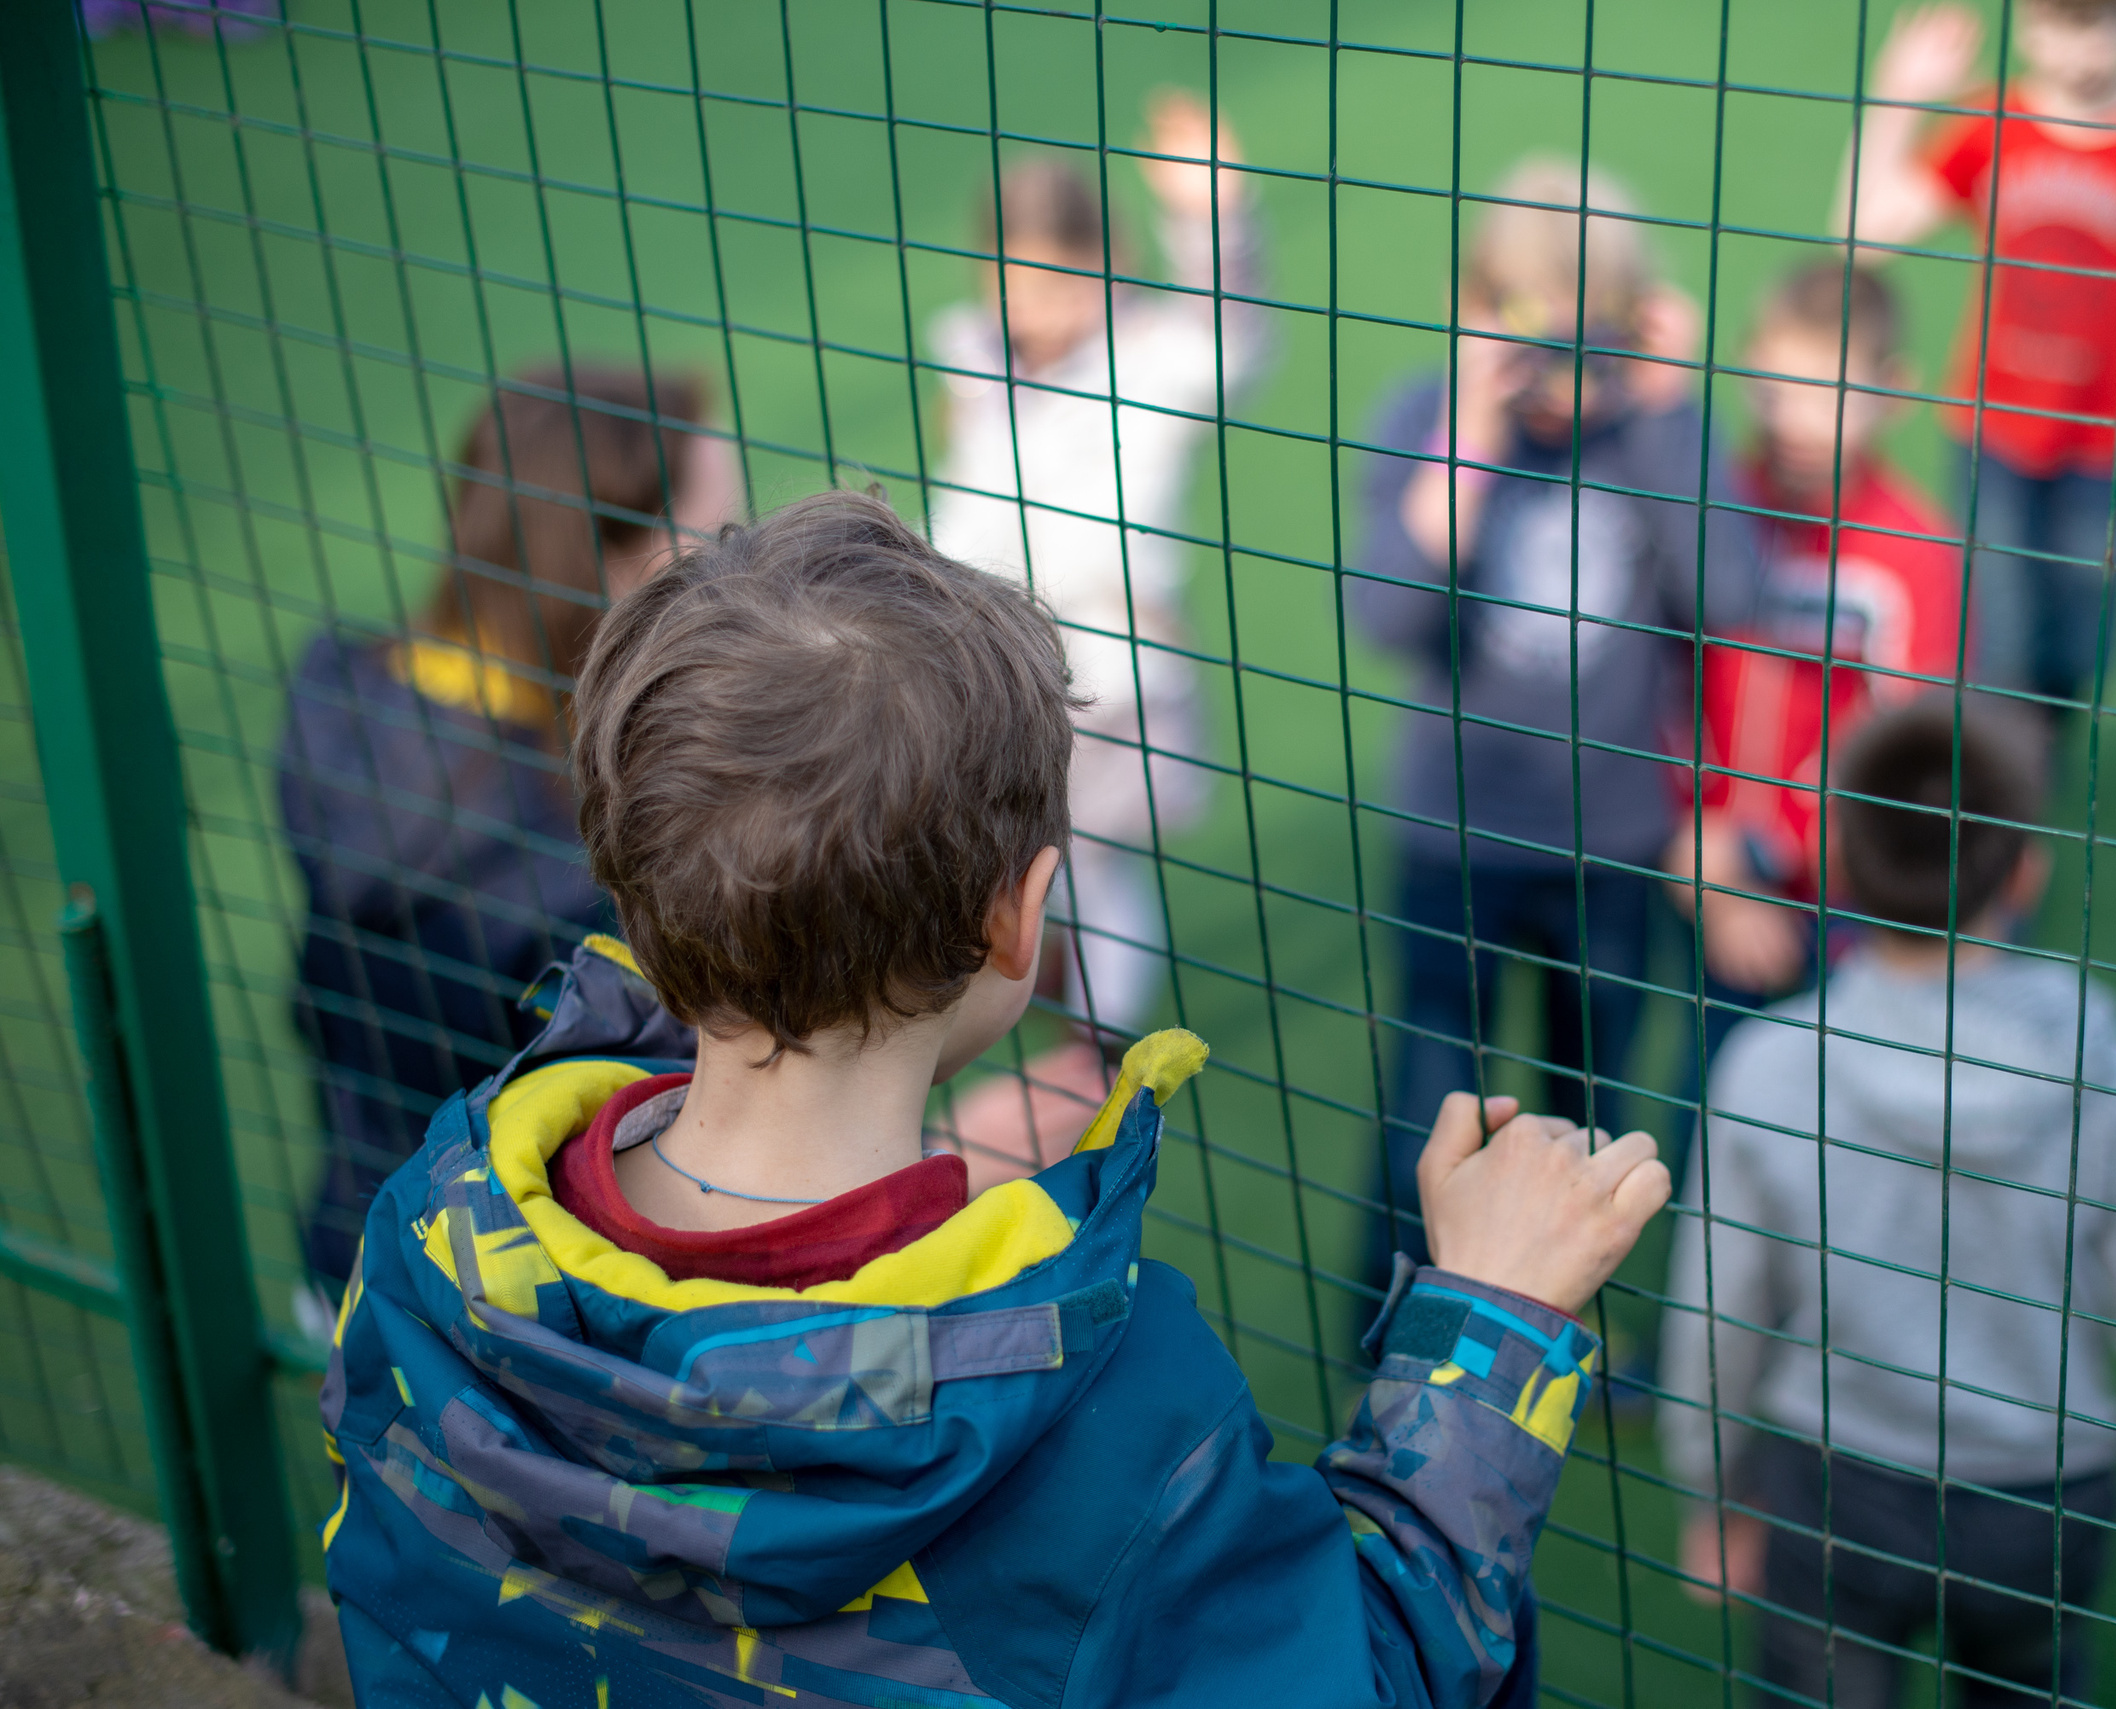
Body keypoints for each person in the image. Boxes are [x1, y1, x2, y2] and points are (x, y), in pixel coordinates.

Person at [317, 490, 1673, 1709]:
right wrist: (1487, 1331)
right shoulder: (1084, 1402)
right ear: (1021, 922)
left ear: (627, 864)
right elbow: (1366, 1672)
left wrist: (903, 1205)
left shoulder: (430, 1224)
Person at [1659, 697, 2116, 1706]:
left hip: (1834, 1487)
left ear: (1835, 863)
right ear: (2028, 868)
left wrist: (1711, 1487)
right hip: (2039, 1508)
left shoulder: (1768, 1066)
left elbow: (1713, 1316)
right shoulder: (2105, 1067)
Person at [1354, 156, 1759, 1286]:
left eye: (1589, 336)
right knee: (1431, 1100)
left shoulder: (1652, 433)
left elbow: (1725, 597)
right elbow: (1388, 612)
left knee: (1590, 1109)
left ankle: (1561, 1316)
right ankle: (1389, 1308)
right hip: (1458, 836)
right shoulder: (1426, 418)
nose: (1558, 372)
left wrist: (1671, 407)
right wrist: (1474, 426)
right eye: (1522, 327)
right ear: (1473, 309)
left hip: (1613, 841)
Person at [278, 362, 728, 1293]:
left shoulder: (336, 699)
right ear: (615, 556)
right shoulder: (595, 865)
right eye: (718, 528)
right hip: (527, 1319)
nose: (741, 551)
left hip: (360, 1250)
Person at [929, 91, 1268, 1176]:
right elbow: (969, 480)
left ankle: (1098, 1051)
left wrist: (1212, 212)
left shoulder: (1148, 360)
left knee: (1087, 862)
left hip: (1115, 677)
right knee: (1046, 866)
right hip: (997, 664)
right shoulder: (975, 350)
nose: (1025, 301)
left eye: (1047, 277)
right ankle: (1083, 1013)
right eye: (1006, 276)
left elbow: (1230, 333)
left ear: (1100, 265)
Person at [1837, 0, 2116, 716]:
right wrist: (1897, 96)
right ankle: (1997, 809)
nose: (2078, 46)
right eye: (2059, 21)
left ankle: (2031, 768)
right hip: (1991, 438)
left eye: (2100, 20)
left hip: (2104, 450)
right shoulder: (1993, 124)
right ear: (2024, 21)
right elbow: (1860, 237)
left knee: (2077, 653)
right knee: (1995, 646)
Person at [1660, 259, 1969, 1091]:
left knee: (1850, 1125)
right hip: (1710, 871)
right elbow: (1663, 688)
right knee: (1716, 1116)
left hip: (1851, 905)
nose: (1792, 420)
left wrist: (1789, 850)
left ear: (1891, 391)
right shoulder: (1712, 510)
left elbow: (1912, 755)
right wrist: (1708, 868)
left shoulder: (1916, 552)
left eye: (1825, 395)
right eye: (1771, 390)